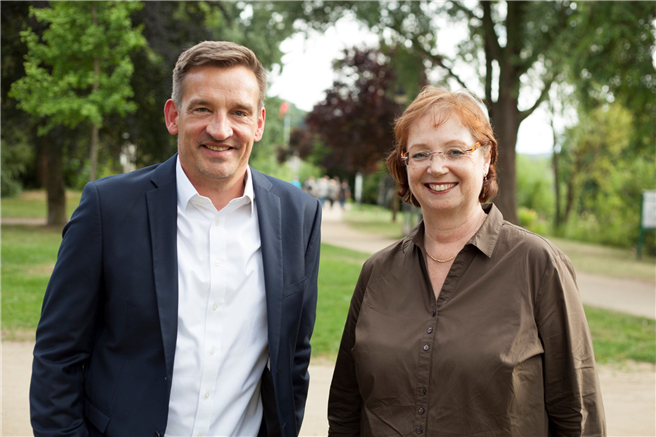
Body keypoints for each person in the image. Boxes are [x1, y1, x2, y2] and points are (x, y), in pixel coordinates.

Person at [30, 41, 322, 437]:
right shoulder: (108, 207)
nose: (221, 130)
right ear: (174, 116)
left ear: (259, 122)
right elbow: (57, 356)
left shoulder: (299, 215)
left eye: (239, 112)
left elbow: (294, 356)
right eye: (202, 108)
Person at [328, 86, 606, 436]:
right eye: (420, 154)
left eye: (455, 151)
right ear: (405, 163)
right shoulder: (377, 272)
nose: (437, 166)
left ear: (487, 156)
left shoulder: (538, 265)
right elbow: (345, 408)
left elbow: (577, 413)